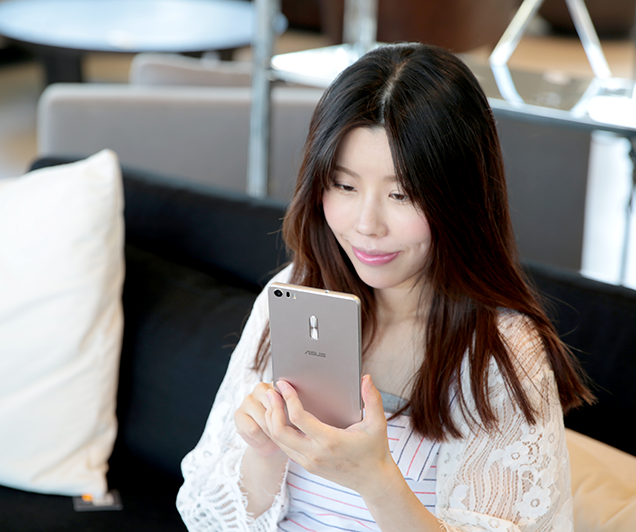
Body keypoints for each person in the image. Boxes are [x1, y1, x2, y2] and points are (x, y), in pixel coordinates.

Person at [176, 43, 593, 532]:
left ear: (460, 199)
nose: (366, 225)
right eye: (344, 186)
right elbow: (205, 516)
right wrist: (265, 453)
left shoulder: (500, 354)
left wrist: (375, 479)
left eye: (401, 193)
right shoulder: (294, 292)